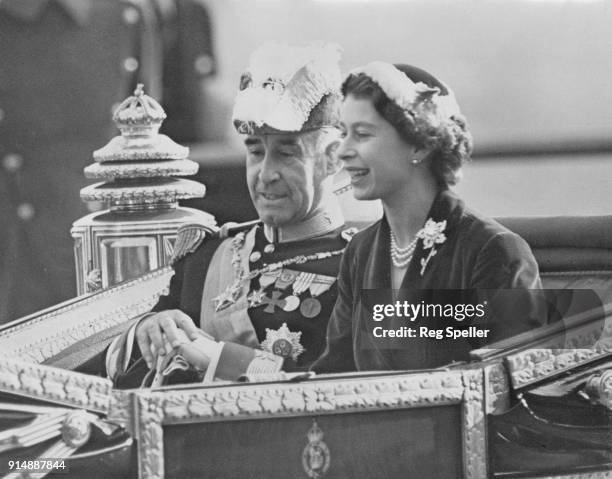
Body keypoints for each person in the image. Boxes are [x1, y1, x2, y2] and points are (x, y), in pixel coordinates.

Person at [94, 43, 353, 387]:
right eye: (256, 153)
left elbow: (354, 385)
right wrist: (150, 328)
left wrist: (220, 361)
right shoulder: (208, 255)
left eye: (287, 154)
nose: (266, 174)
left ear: (332, 159)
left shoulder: (364, 262)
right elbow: (131, 374)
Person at [311, 61, 547, 373]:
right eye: (344, 134)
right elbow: (333, 374)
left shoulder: (494, 251)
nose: (343, 151)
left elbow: (517, 387)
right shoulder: (360, 252)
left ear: (420, 144)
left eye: (363, 134)